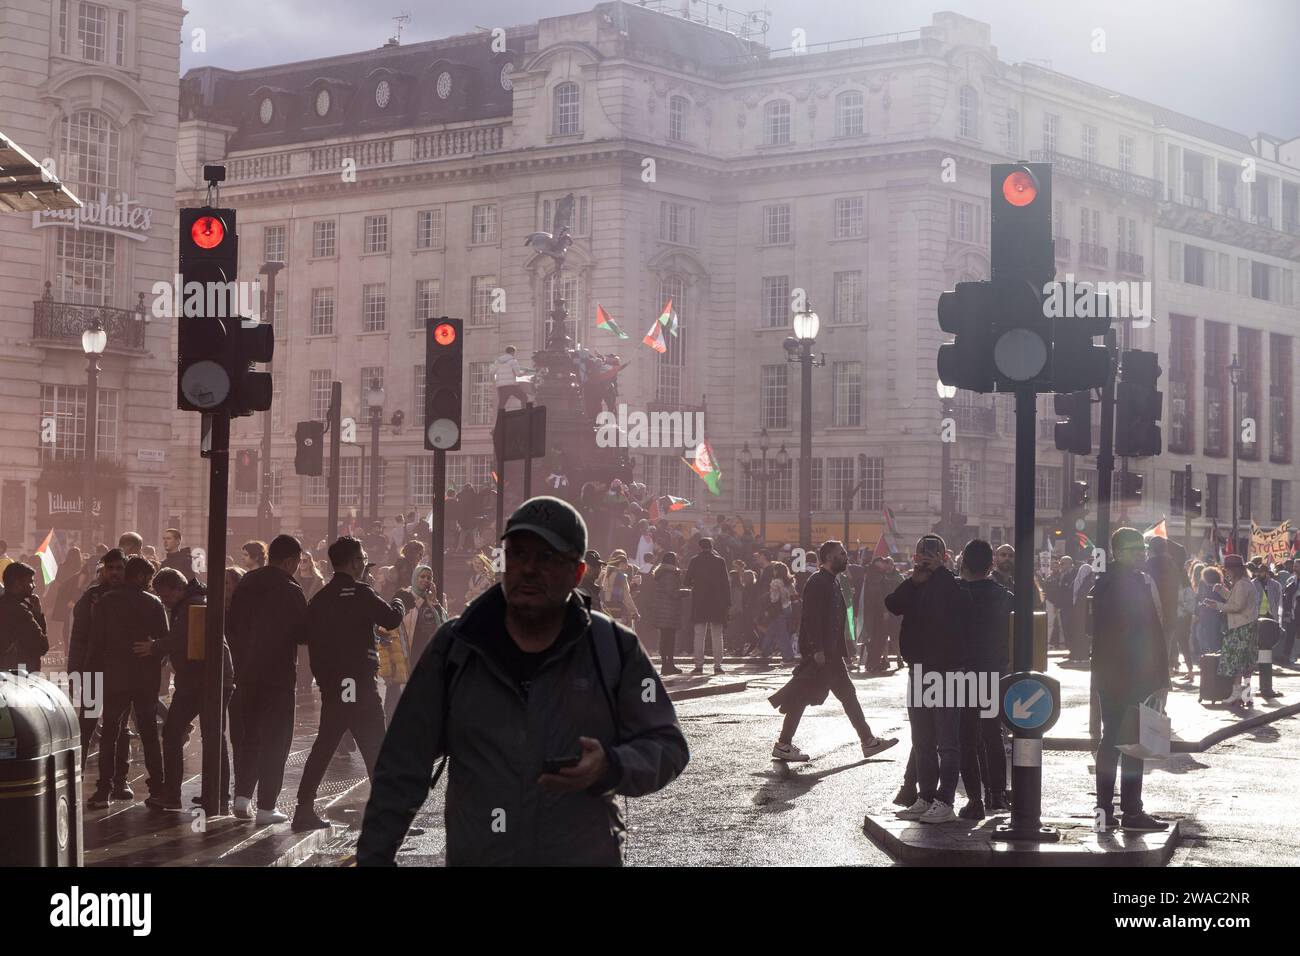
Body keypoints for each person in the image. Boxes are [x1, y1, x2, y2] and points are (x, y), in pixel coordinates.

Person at [356, 495, 689, 865]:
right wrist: (375, 857)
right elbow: (404, 761)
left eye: (546, 557)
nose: (528, 569)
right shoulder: (456, 647)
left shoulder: (614, 648)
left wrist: (611, 766)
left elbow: (667, 744)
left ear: (577, 574)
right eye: (517, 554)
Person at [294, 536, 407, 831]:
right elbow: (392, 618)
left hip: (334, 684)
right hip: (359, 683)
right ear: (355, 562)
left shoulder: (321, 598)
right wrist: (401, 599)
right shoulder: (362, 593)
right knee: (376, 748)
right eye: (362, 559)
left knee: (325, 746)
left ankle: (303, 808)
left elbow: (303, 635)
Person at [768, 540, 897, 762]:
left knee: (838, 695)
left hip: (831, 654)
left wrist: (844, 648)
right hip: (823, 654)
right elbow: (811, 617)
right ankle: (784, 744)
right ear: (829, 557)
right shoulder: (818, 582)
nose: (846, 557)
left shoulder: (833, 581)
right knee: (807, 696)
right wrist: (817, 650)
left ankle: (867, 741)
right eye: (841, 553)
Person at [884, 534, 973, 824]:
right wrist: (914, 580)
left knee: (948, 742)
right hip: (919, 670)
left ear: (944, 556)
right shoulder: (916, 585)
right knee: (922, 739)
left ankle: (944, 801)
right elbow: (893, 603)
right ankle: (924, 797)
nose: (926, 558)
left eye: (932, 554)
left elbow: (962, 604)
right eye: (922, 553)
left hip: (947, 672)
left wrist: (940, 572)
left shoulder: (953, 584)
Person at [1089, 527, 1169, 831]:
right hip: (1132, 676)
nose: (1142, 553)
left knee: (1111, 740)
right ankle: (1132, 812)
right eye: (1135, 549)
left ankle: (1105, 811)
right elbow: (1145, 634)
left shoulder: (1107, 582)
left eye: (1143, 549)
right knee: (1132, 742)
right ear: (1119, 552)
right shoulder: (1128, 584)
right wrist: (1157, 676)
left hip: (1111, 675)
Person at [225, 534, 309, 825]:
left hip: (246, 674)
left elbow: (231, 624)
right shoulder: (290, 588)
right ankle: (266, 807)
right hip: (277, 678)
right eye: (297, 562)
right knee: (276, 741)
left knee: (249, 738)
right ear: (289, 560)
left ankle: (242, 798)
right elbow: (302, 633)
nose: (298, 567)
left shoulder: (247, 581)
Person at [150, 568, 235, 812]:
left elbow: (179, 639)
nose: (164, 601)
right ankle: (216, 795)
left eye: (165, 596)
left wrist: (154, 647)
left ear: (178, 589)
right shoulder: (192, 602)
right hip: (205, 679)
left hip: (204, 680)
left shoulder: (191, 606)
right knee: (212, 736)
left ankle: (177, 795)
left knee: (180, 733)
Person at [87, 556, 168, 809]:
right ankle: (157, 790)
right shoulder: (153, 603)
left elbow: (95, 642)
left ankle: (103, 791)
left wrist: (92, 675)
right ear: (142, 577)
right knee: (149, 734)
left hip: (115, 676)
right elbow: (165, 640)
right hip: (144, 678)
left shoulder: (105, 602)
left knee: (110, 732)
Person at [955, 540, 1012, 818]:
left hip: (963, 672)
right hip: (992, 672)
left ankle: (975, 800)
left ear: (963, 562)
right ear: (991, 565)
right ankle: (997, 794)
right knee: (992, 733)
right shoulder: (1003, 595)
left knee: (967, 736)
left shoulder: (956, 593)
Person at [69, 549, 130, 790]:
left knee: (120, 728)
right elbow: (79, 637)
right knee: (88, 724)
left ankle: (119, 780)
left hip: (123, 673)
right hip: (95, 669)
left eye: (119, 568)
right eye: (110, 568)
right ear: (103, 570)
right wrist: (75, 669)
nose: (114, 572)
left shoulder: (132, 596)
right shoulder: (91, 597)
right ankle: (79, 773)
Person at [1206, 554, 1258, 707]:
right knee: (1246, 662)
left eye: (1228, 570)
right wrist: (1222, 591)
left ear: (1234, 569)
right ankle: (1246, 695)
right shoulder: (1244, 583)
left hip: (1241, 627)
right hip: (1247, 626)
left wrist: (1217, 605)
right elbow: (1235, 600)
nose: (1226, 573)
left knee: (1237, 661)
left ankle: (1237, 694)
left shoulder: (1241, 584)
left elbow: (1237, 606)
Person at [685, 537, 730, 676]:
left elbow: (686, 581)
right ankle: (717, 666)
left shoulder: (694, 560)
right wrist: (728, 602)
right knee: (717, 635)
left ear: (700, 547)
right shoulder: (720, 561)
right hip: (717, 603)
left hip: (700, 602)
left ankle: (698, 666)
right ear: (712, 547)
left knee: (699, 635)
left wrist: (696, 585)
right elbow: (726, 583)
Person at [0, 563, 48, 671]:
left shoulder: (4, 605)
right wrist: (37, 615)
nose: (34, 585)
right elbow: (42, 646)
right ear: (18, 584)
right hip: (18, 677)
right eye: (30, 581)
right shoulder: (19, 612)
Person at [648, 552, 685, 675]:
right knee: (670, 639)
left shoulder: (661, 573)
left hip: (662, 611)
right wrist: (685, 592)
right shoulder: (670, 574)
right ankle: (669, 665)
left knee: (664, 639)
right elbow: (672, 592)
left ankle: (666, 664)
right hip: (669, 611)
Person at [403, 565, 448, 666]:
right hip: (408, 649)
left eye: (429, 578)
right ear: (415, 577)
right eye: (422, 576)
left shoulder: (432, 598)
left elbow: (443, 623)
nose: (426, 580)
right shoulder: (404, 595)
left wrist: (433, 603)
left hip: (427, 650)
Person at [757, 561, 796, 665]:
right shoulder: (789, 581)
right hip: (788, 608)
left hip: (777, 610)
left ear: (776, 571)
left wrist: (768, 598)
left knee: (781, 634)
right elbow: (794, 595)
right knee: (772, 630)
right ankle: (765, 651)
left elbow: (774, 599)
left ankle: (788, 657)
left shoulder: (775, 582)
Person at [1193, 566, 1226, 660]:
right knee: (1208, 637)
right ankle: (1210, 658)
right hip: (1211, 616)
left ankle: (1212, 659)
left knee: (1210, 638)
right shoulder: (1212, 585)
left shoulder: (1213, 587)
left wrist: (1198, 611)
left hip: (1211, 616)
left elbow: (1200, 599)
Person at [493, 345, 530, 410]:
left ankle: (500, 418)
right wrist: (525, 372)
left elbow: (492, 372)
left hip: (501, 386)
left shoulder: (497, 361)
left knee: (501, 404)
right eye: (514, 353)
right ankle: (524, 414)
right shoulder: (513, 361)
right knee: (524, 398)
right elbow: (518, 374)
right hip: (511, 385)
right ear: (512, 352)